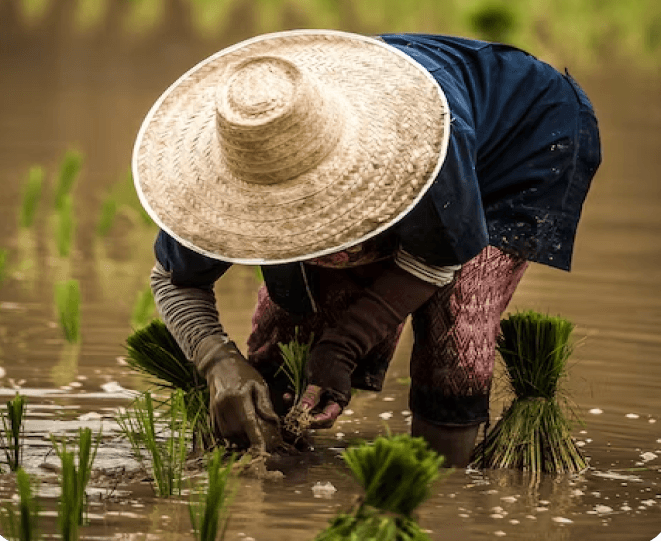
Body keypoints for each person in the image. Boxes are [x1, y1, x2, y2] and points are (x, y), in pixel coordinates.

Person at [132, 30, 601, 467]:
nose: (301, 227)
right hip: (377, 138)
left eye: (312, 209)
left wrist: (346, 344)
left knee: (456, 328)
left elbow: (439, 256)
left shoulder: (421, 149)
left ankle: (433, 489)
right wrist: (217, 359)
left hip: (518, 142)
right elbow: (174, 280)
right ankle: (273, 451)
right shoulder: (215, 181)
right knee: (296, 320)